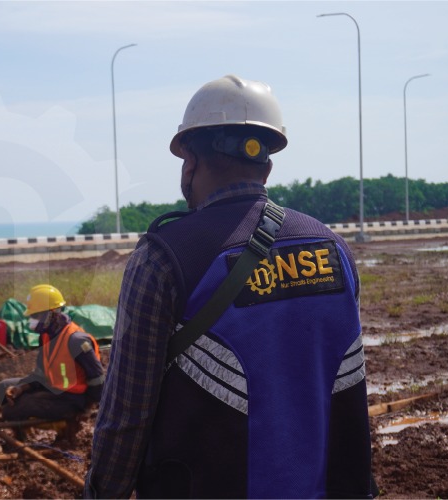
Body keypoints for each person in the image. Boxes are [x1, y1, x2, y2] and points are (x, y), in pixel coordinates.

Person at [86, 75, 374, 498]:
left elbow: (126, 415)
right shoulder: (334, 250)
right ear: (268, 165)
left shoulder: (163, 260)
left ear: (189, 161)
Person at [0, 284, 105, 441]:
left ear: (52, 314)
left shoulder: (76, 340)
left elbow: (97, 378)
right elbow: (41, 373)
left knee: (11, 411)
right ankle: (24, 432)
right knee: (3, 388)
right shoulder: (46, 336)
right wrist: (22, 387)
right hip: (53, 388)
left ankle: (60, 430)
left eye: (37, 316)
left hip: (72, 399)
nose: (33, 321)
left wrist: (87, 409)